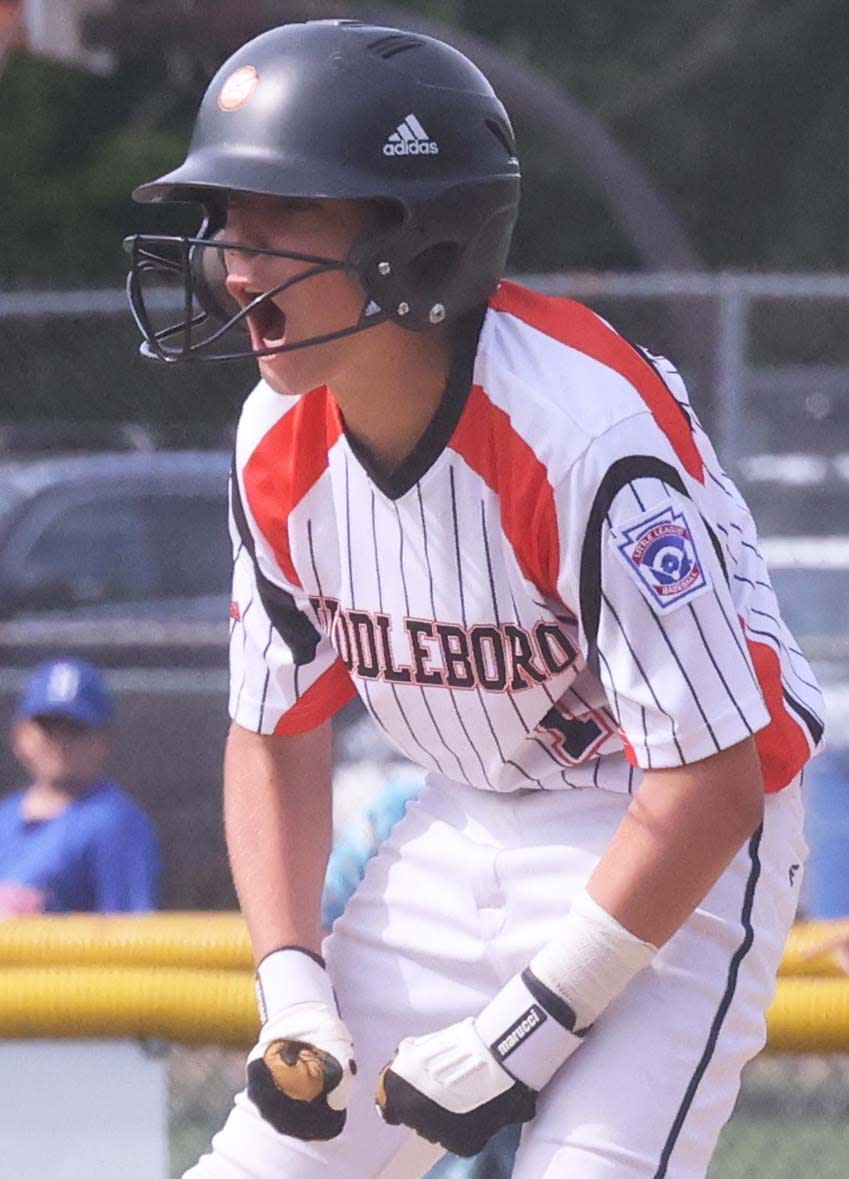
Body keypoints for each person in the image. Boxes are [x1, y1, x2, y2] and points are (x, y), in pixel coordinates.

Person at [126, 19, 823, 1178]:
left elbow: (718, 778)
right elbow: (274, 734)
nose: (231, 260)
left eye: (282, 214)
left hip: (681, 835)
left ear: (418, 240)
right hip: (463, 818)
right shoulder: (275, 434)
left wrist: (527, 1027)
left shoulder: (577, 431)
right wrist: (295, 988)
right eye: (224, 219)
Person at [0, 658, 160, 914]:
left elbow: (129, 939)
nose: (60, 743)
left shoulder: (115, 823)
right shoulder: (5, 815)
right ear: (20, 735)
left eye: (74, 729)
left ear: (103, 741)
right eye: (49, 728)